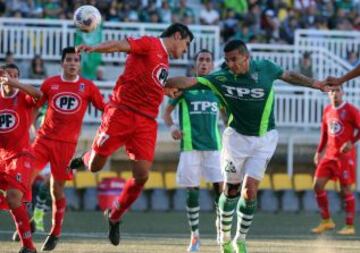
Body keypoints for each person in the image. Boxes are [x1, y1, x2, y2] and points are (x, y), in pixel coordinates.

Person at [165, 40, 331, 253]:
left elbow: (288, 75)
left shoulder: (265, 68)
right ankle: (223, 235)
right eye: (226, 60)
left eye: (234, 59)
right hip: (236, 141)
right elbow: (189, 81)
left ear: (246, 57)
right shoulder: (221, 78)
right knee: (231, 190)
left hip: (264, 139)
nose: (230, 64)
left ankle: (239, 240)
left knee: (250, 190)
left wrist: (316, 84)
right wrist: (163, 82)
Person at [72, 23, 193, 246]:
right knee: (96, 166)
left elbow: (149, 80)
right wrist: (95, 48)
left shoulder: (163, 60)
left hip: (146, 123)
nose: (185, 51)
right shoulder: (150, 43)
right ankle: (87, 156)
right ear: (178, 36)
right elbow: (119, 44)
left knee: (142, 176)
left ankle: (115, 215)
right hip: (121, 113)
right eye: (186, 44)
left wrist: (164, 88)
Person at [31, 47, 105, 251]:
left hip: (66, 147)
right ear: (62, 63)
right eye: (69, 60)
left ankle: (55, 232)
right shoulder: (50, 83)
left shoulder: (88, 87)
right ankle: (30, 222)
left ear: (79, 64)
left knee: (57, 190)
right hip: (43, 141)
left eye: (76, 60)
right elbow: (35, 105)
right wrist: (29, 129)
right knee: (23, 178)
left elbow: (105, 109)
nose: (73, 63)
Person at [163, 49, 225, 252]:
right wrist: (172, 127)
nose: (205, 63)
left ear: (212, 65)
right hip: (190, 147)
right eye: (201, 60)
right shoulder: (185, 87)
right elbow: (167, 112)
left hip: (214, 147)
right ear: (196, 64)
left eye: (208, 60)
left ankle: (221, 230)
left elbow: (226, 115)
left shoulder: (218, 90)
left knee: (220, 190)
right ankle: (195, 236)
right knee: (192, 190)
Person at [0, 63, 42, 253]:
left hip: (20, 154)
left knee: (13, 196)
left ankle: (29, 247)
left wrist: (16, 84)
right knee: (13, 201)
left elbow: (39, 94)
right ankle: (27, 218)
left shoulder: (23, 96)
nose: (12, 77)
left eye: (16, 75)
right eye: (9, 74)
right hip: (2, 156)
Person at [312, 86, 360, 235]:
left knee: (345, 190)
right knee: (317, 185)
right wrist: (319, 151)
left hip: (344, 157)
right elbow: (324, 134)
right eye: (332, 91)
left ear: (343, 93)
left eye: (338, 90)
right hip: (329, 156)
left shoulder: (351, 109)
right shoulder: (327, 110)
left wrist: (352, 142)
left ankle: (349, 226)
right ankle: (327, 221)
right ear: (328, 94)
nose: (335, 94)